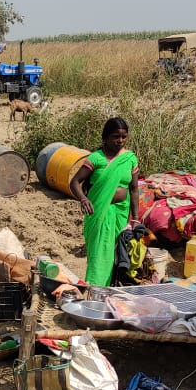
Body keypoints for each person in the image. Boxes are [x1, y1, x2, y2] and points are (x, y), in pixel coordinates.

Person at [69, 117, 140, 287]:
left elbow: (134, 189)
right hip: (99, 212)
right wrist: (83, 198)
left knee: (118, 252)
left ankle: (110, 288)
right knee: (100, 253)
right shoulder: (96, 158)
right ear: (105, 137)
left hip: (120, 213)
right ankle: (95, 288)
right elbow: (74, 182)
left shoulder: (130, 158)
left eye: (124, 137)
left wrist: (136, 218)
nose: (120, 141)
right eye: (116, 136)